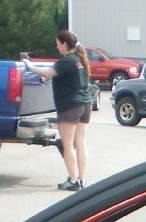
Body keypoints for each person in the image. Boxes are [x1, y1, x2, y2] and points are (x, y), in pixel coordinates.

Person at [24, 31, 92, 191]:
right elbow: (60, 77)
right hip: (85, 104)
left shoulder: (66, 61)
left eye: (57, 43)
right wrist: (47, 77)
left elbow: (46, 72)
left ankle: (73, 181)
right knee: (81, 143)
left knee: (68, 145)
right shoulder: (79, 61)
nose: (56, 46)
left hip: (70, 106)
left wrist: (29, 65)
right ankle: (82, 180)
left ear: (64, 44)